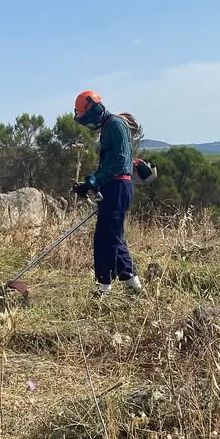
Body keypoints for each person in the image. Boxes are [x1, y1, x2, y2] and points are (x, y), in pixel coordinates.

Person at [71, 90, 152, 298]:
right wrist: (88, 184)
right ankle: (133, 283)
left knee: (106, 238)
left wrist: (95, 180)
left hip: (118, 187)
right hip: (114, 187)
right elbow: (112, 163)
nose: (88, 123)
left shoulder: (115, 125)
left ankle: (103, 287)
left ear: (94, 109)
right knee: (115, 236)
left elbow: (119, 161)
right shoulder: (109, 126)